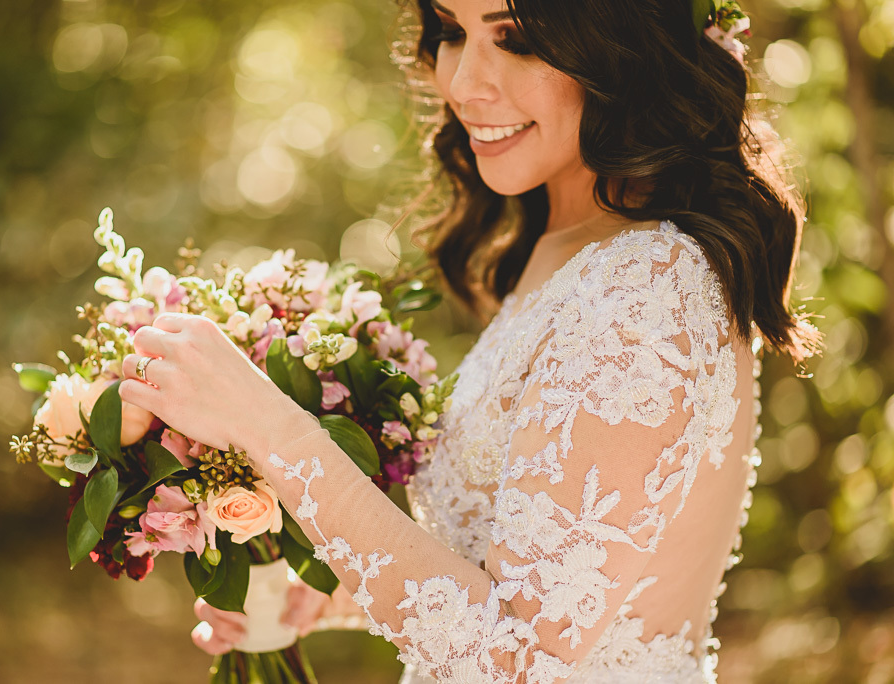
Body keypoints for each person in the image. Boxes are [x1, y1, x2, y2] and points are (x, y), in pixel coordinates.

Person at [119, 0, 817, 680]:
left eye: (515, 37)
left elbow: (519, 659)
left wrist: (267, 426)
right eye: (451, 30)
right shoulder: (573, 249)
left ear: (622, 43)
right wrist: (335, 597)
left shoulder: (646, 286)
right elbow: (530, 592)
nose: (462, 83)